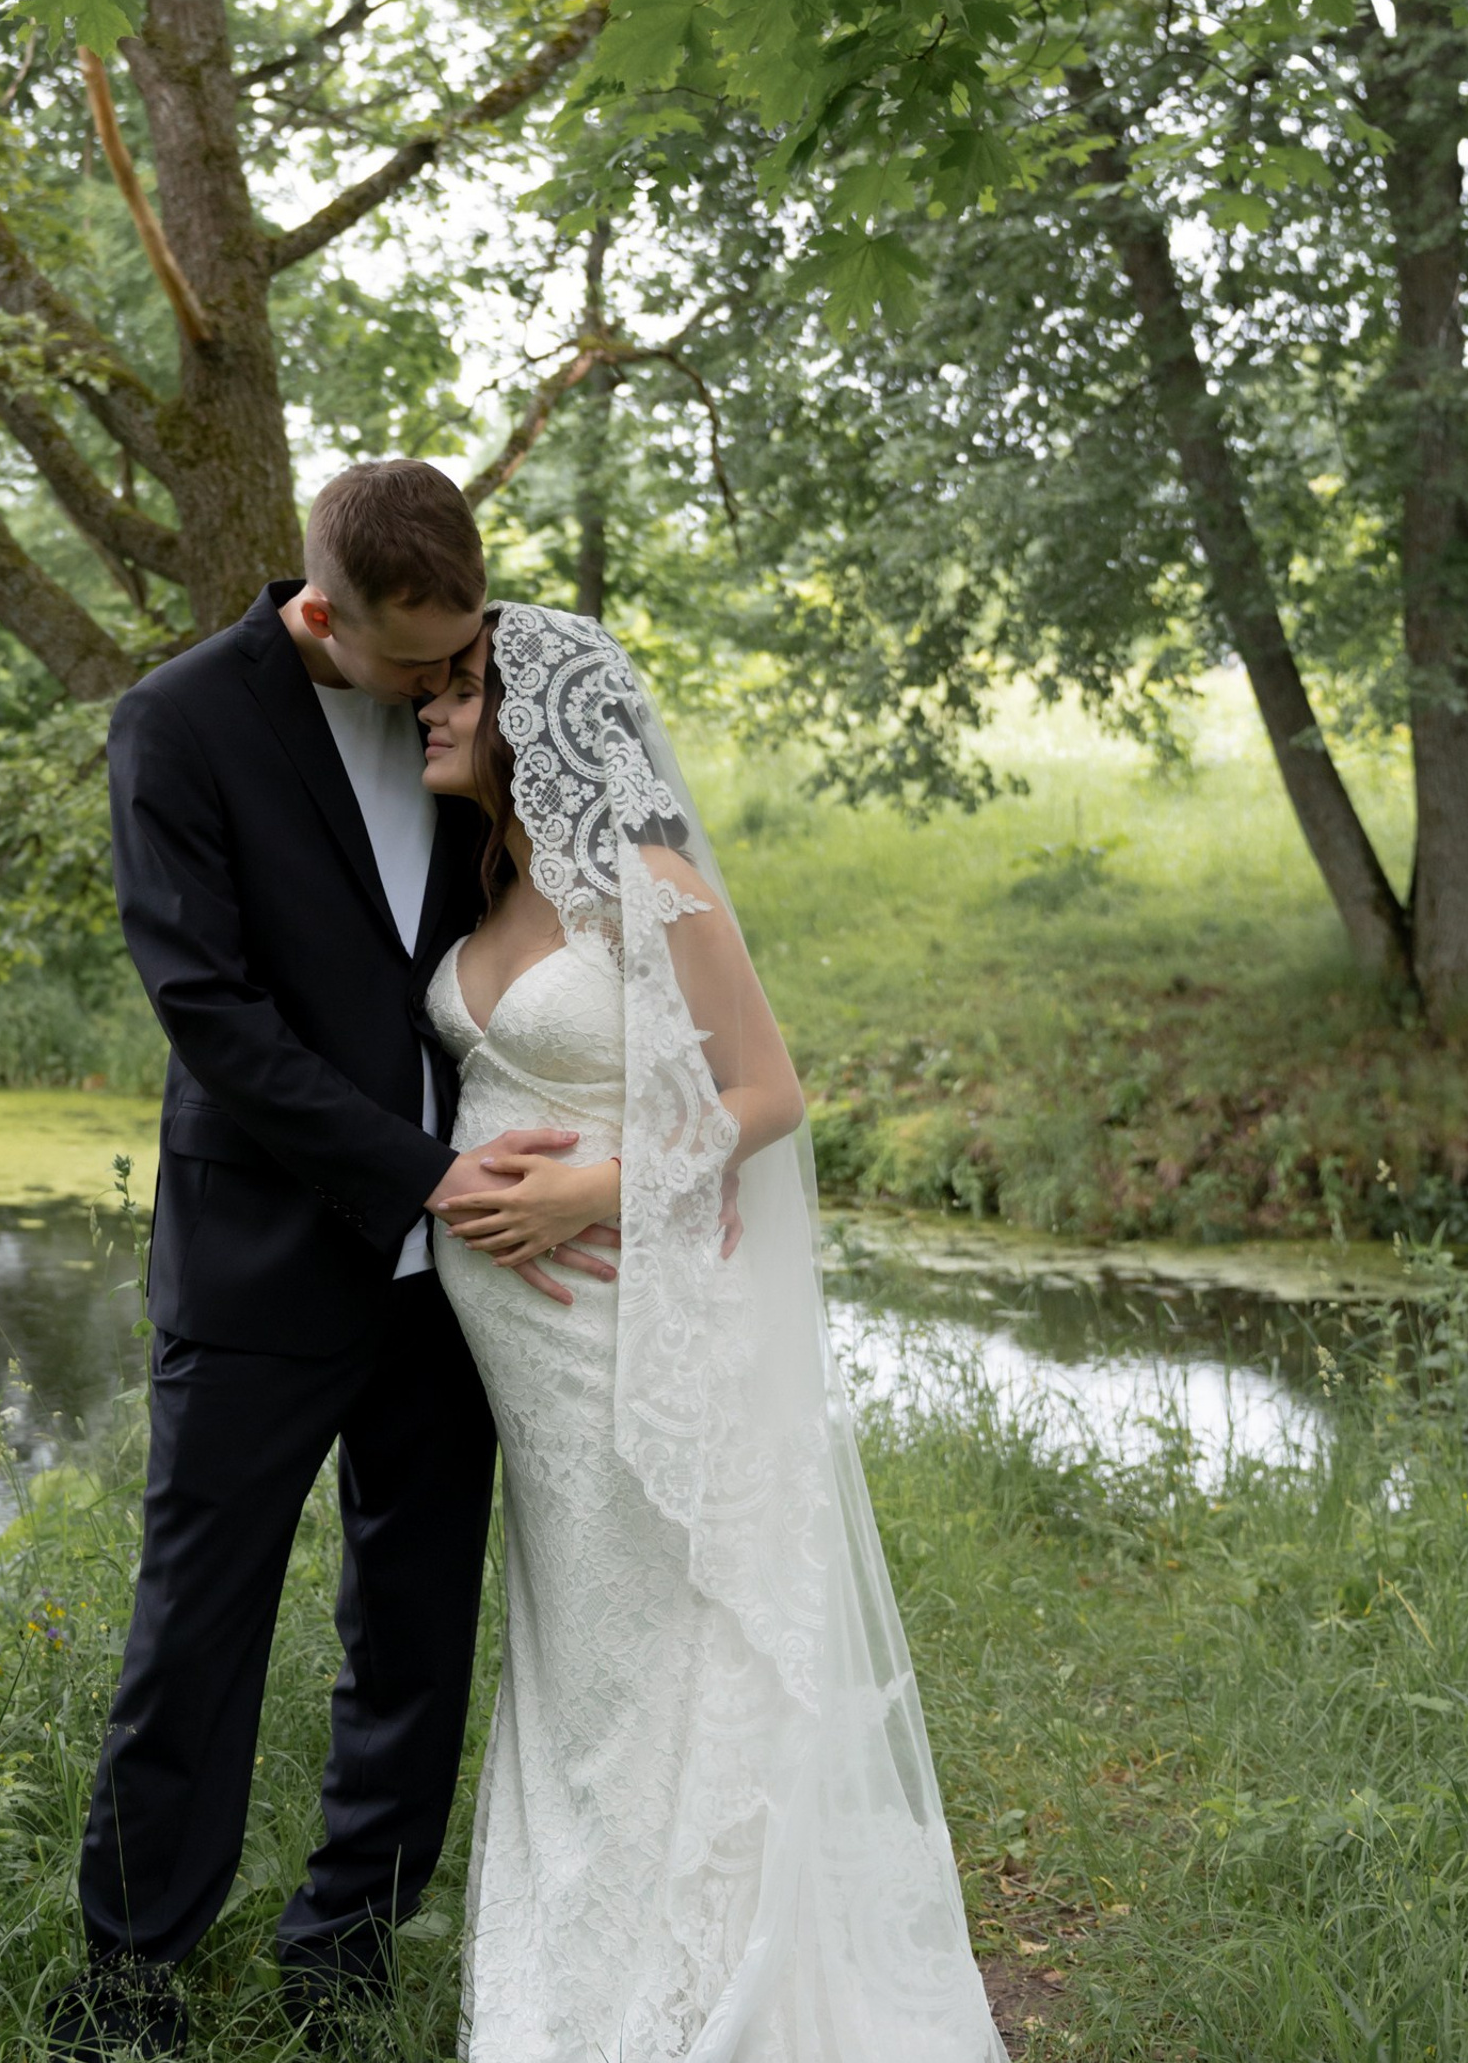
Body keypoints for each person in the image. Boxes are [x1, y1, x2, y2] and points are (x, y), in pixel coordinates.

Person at [52, 465, 614, 2059]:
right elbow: (212, 1018)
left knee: (417, 1627)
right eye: (420, 663)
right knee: (197, 1629)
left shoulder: (479, 704)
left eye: (466, 655)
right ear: (323, 613)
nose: (452, 688)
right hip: (264, 1262)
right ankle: (131, 1985)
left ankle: (344, 1956)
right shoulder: (180, 724)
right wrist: (422, 1175)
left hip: (468, 1280)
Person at [417, 603, 1007, 2063]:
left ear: (537, 716)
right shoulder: (493, 879)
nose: (429, 711)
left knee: (673, 1647)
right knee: (578, 1652)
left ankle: (692, 1981)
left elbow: (768, 1091)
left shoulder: (646, 876)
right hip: (532, 1370)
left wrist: (589, 1191)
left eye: (458, 688)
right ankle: (580, 1950)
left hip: (639, 1320)